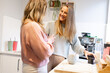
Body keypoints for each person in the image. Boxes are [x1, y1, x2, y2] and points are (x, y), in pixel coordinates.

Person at [46, 5, 94, 72]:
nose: (62, 14)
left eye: (65, 13)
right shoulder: (50, 25)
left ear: (70, 16)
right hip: (48, 59)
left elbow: (76, 46)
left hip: (61, 61)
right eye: (61, 11)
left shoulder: (71, 31)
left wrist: (85, 51)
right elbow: (42, 40)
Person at [20, 0, 55, 73]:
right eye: (44, 11)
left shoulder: (25, 24)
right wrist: (49, 41)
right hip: (36, 69)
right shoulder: (33, 26)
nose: (44, 14)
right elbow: (44, 53)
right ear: (39, 11)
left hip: (29, 67)